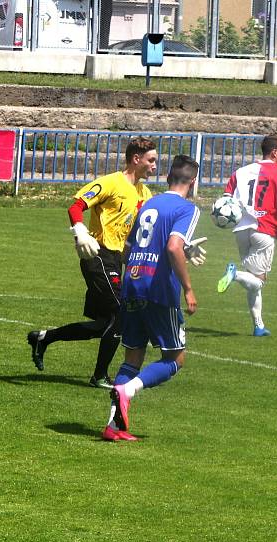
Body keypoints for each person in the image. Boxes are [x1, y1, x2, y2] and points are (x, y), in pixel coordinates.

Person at [27, 137, 158, 389]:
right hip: (97, 255)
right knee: (121, 313)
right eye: (151, 160)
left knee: (104, 325)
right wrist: (80, 231)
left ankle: (44, 338)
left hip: (116, 260)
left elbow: (144, 231)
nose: (155, 166)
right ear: (136, 159)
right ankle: (99, 376)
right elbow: (76, 206)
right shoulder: (110, 182)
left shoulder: (145, 193)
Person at [104, 155, 201, 442]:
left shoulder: (149, 203)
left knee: (132, 357)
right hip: (159, 290)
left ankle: (113, 426)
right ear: (193, 181)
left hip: (133, 283)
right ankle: (129, 390)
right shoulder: (187, 209)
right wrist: (188, 288)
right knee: (175, 358)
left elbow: (128, 247)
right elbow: (173, 247)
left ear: (169, 176)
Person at [216, 134, 277, 336]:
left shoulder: (240, 172)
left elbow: (226, 201)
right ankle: (234, 274)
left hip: (241, 229)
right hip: (264, 228)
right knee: (258, 280)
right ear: (274, 152)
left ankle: (258, 325)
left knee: (253, 282)